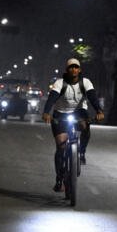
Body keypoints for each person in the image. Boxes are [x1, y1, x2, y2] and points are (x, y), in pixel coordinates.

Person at [41, 58, 104, 192]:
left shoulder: (85, 82)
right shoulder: (60, 83)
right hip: (61, 114)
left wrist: (99, 110)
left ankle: (82, 152)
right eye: (71, 67)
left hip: (79, 112)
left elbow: (92, 97)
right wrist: (46, 112)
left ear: (79, 70)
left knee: (85, 126)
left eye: (76, 67)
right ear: (67, 70)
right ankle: (59, 179)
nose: (73, 69)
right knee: (61, 146)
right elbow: (52, 97)